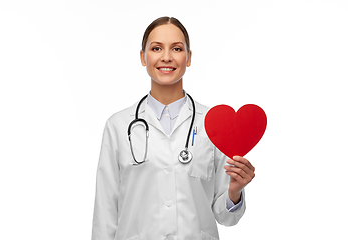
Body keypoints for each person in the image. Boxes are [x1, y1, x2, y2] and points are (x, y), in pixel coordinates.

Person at [91, 16, 255, 240]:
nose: (166, 57)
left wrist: (234, 192)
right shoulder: (118, 125)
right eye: (156, 48)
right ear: (143, 57)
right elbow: (105, 210)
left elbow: (226, 217)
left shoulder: (213, 124)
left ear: (188, 58)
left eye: (177, 48)